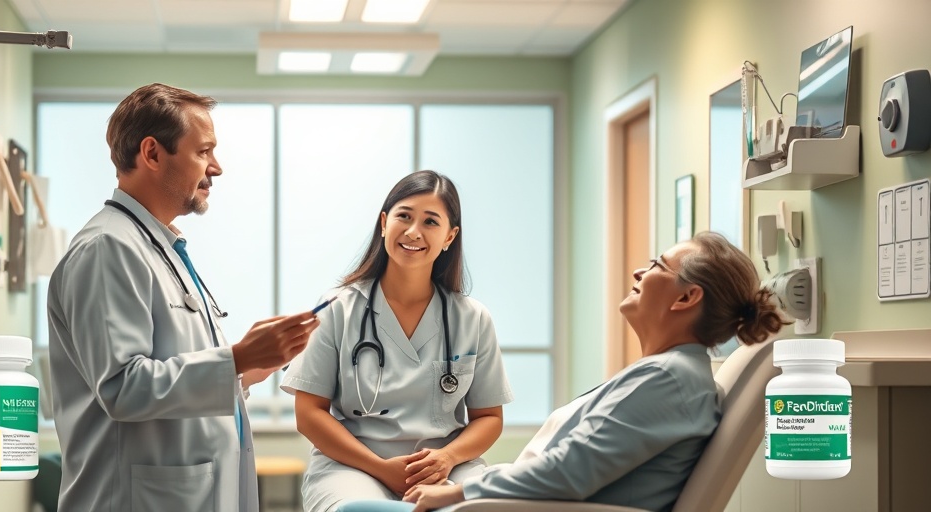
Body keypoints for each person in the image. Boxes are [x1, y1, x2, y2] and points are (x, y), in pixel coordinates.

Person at [340, 231, 789, 512]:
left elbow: (566, 474)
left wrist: (459, 494)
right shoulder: (666, 375)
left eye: (657, 266)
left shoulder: (669, 380)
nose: (639, 269)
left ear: (686, 298)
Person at [47, 83, 319, 512]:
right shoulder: (107, 249)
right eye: (203, 152)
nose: (217, 167)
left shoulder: (159, 248)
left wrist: (247, 371)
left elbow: (171, 372)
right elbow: (122, 387)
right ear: (152, 153)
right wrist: (236, 360)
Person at [280, 170, 514, 512]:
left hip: (447, 465)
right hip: (354, 464)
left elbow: (489, 417)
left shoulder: (472, 318)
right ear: (384, 222)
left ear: (450, 236)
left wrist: (447, 458)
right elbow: (309, 413)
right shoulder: (338, 309)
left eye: (431, 222)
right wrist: (382, 469)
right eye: (404, 216)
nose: (413, 232)